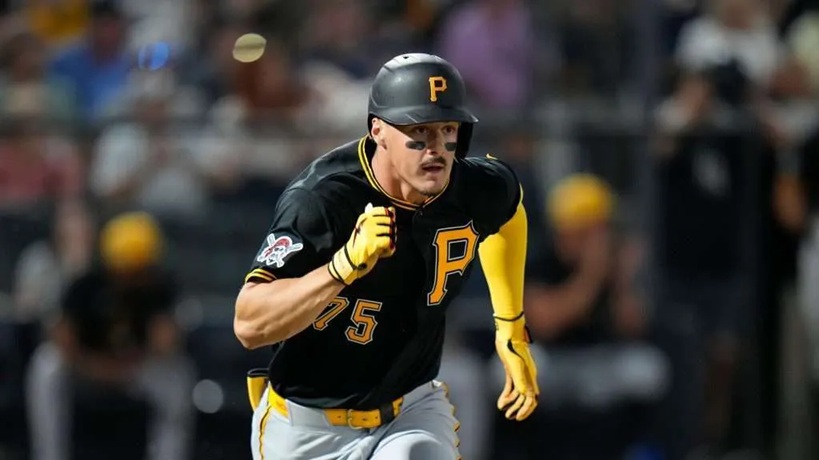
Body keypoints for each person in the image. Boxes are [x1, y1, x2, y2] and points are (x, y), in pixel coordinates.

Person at [234, 53, 540, 460]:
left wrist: (510, 328)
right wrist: (342, 267)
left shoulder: (470, 186)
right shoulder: (323, 200)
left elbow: (510, 212)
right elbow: (248, 323)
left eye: (447, 129)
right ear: (378, 130)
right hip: (307, 425)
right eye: (419, 131)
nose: (436, 149)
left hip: (410, 411)